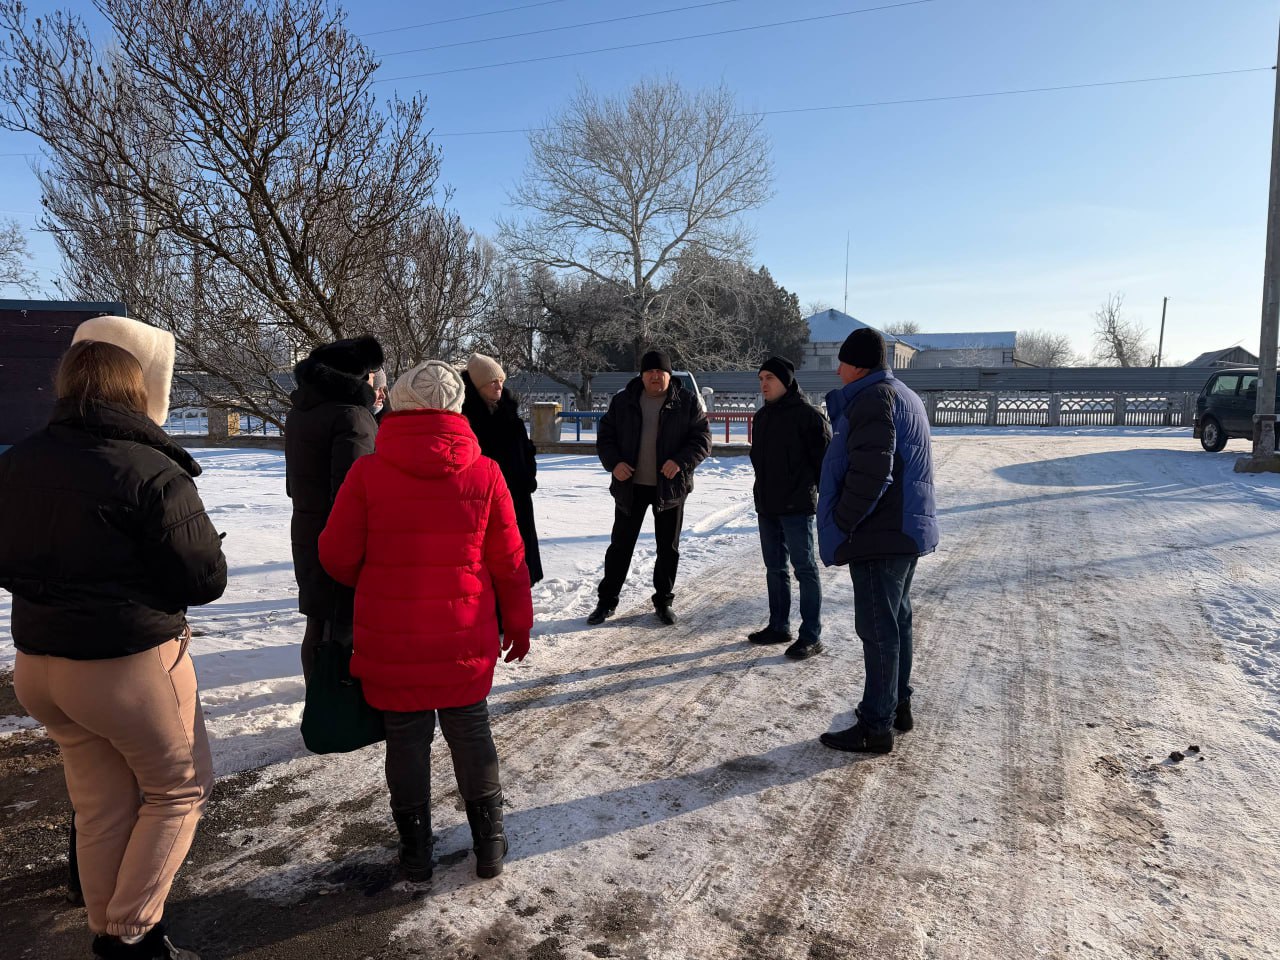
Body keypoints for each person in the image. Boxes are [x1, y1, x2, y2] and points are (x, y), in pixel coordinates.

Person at [0, 319, 227, 960]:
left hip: (39, 664)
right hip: (126, 666)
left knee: (100, 806)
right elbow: (204, 578)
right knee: (179, 791)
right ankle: (131, 936)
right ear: (139, 388)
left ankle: (113, 931)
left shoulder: (17, 461)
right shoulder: (149, 471)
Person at [318, 360, 533, 883]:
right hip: (464, 636)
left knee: (406, 741)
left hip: (391, 641)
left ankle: (416, 852)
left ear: (400, 406)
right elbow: (510, 561)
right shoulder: (485, 473)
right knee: (471, 733)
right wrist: (519, 621)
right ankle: (490, 843)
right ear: (458, 408)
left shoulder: (367, 472)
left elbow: (337, 558)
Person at [816, 327, 937, 755]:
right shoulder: (903, 393)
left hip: (879, 532)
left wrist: (845, 522)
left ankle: (875, 725)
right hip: (902, 528)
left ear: (859, 364)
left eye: (843, 361)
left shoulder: (872, 398)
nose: (837, 369)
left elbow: (872, 471)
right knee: (896, 621)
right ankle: (896, 704)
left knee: (878, 629)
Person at [588, 349, 712, 626]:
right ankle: (606, 602)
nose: (655, 377)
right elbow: (605, 437)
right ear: (642, 375)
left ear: (669, 375)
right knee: (620, 547)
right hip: (630, 486)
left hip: (669, 488)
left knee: (668, 548)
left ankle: (663, 601)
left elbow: (702, 440)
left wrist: (680, 462)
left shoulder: (687, 403)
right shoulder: (623, 401)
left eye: (661, 372)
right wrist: (614, 462)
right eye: (650, 372)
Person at [284, 335, 382, 683]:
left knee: (318, 621)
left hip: (307, 527)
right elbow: (354, 491)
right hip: (341, 537)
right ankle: (336, 714)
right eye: (371, 374)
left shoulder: (302, 409)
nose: (375, 381)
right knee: (341, 627)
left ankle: (320, 707)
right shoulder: (352, 416)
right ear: (355, 375)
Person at [748, 356, 831, 660]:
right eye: (760, 379)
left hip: (797, 506)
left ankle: (811, 635)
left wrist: (826, 505)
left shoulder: (809, 417)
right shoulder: (762, 417)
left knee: (805, 569)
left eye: (769, 378)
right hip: (767, 506)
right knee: (775, 569)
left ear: (786, 381)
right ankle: (779, 625)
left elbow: (824, 466)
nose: (764, 384)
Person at [460, 353, 543, 585]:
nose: (499, 386)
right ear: (478, 385)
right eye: (493, 381)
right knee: (493, 560)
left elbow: (526, 450)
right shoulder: (468, 418)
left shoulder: (509, 412)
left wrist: (529, 475)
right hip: (485, 500)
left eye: (501, 380)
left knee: (519, 555)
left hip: (517, 494)